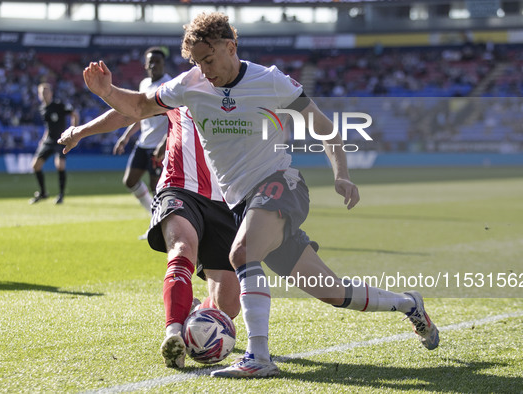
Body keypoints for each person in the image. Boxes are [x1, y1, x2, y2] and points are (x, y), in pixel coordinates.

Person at [60, 11, 440, 378]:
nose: (205, 70)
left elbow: (324, 127)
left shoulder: (270, 81)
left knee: (241, 253)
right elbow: (140, 107)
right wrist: (107, 91)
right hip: (243, 204)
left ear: (230, 46)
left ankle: (259, 356)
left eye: (209, 59)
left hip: (280, 184)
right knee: (333, 292)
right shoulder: (191, 84)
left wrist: (342, 174)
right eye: (198, 62)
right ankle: (408, 304)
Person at [60, 106, 240, 369]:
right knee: (181, 247)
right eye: (203, 61)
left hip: (224, 200)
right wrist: (80, 131)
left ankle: (194, 311)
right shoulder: (181, 89)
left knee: (229, 307)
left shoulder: (244, 92)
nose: (207, 66)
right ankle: (174, 335)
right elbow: (130, 110)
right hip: (179, 188)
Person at [112, 47, 172, 219]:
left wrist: (164, 142)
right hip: (143, 143)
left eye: (157, 62)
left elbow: (177, 118)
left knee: (157, 188)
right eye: (150, 62)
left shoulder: (169, 86)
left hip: (159, 146)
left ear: (164, 64)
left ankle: (160, 225)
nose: (153, 65)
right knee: (130, 181)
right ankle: (154, 218)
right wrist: (126, 137)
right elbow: (140, 114)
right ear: (145, 65)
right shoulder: (144, 84)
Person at [29, 82, 79, 204]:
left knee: (60, 165)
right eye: (41, 93)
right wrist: (43, 138)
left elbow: (75, 114)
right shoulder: (42, 109)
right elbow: (49, 126)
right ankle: (43, 193)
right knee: (35, 166)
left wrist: (73, 131)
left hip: (61, 140)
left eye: (46, 92)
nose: (44, 95)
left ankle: (61, 195)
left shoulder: (58, 105)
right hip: (49, 140)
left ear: (51, 93)